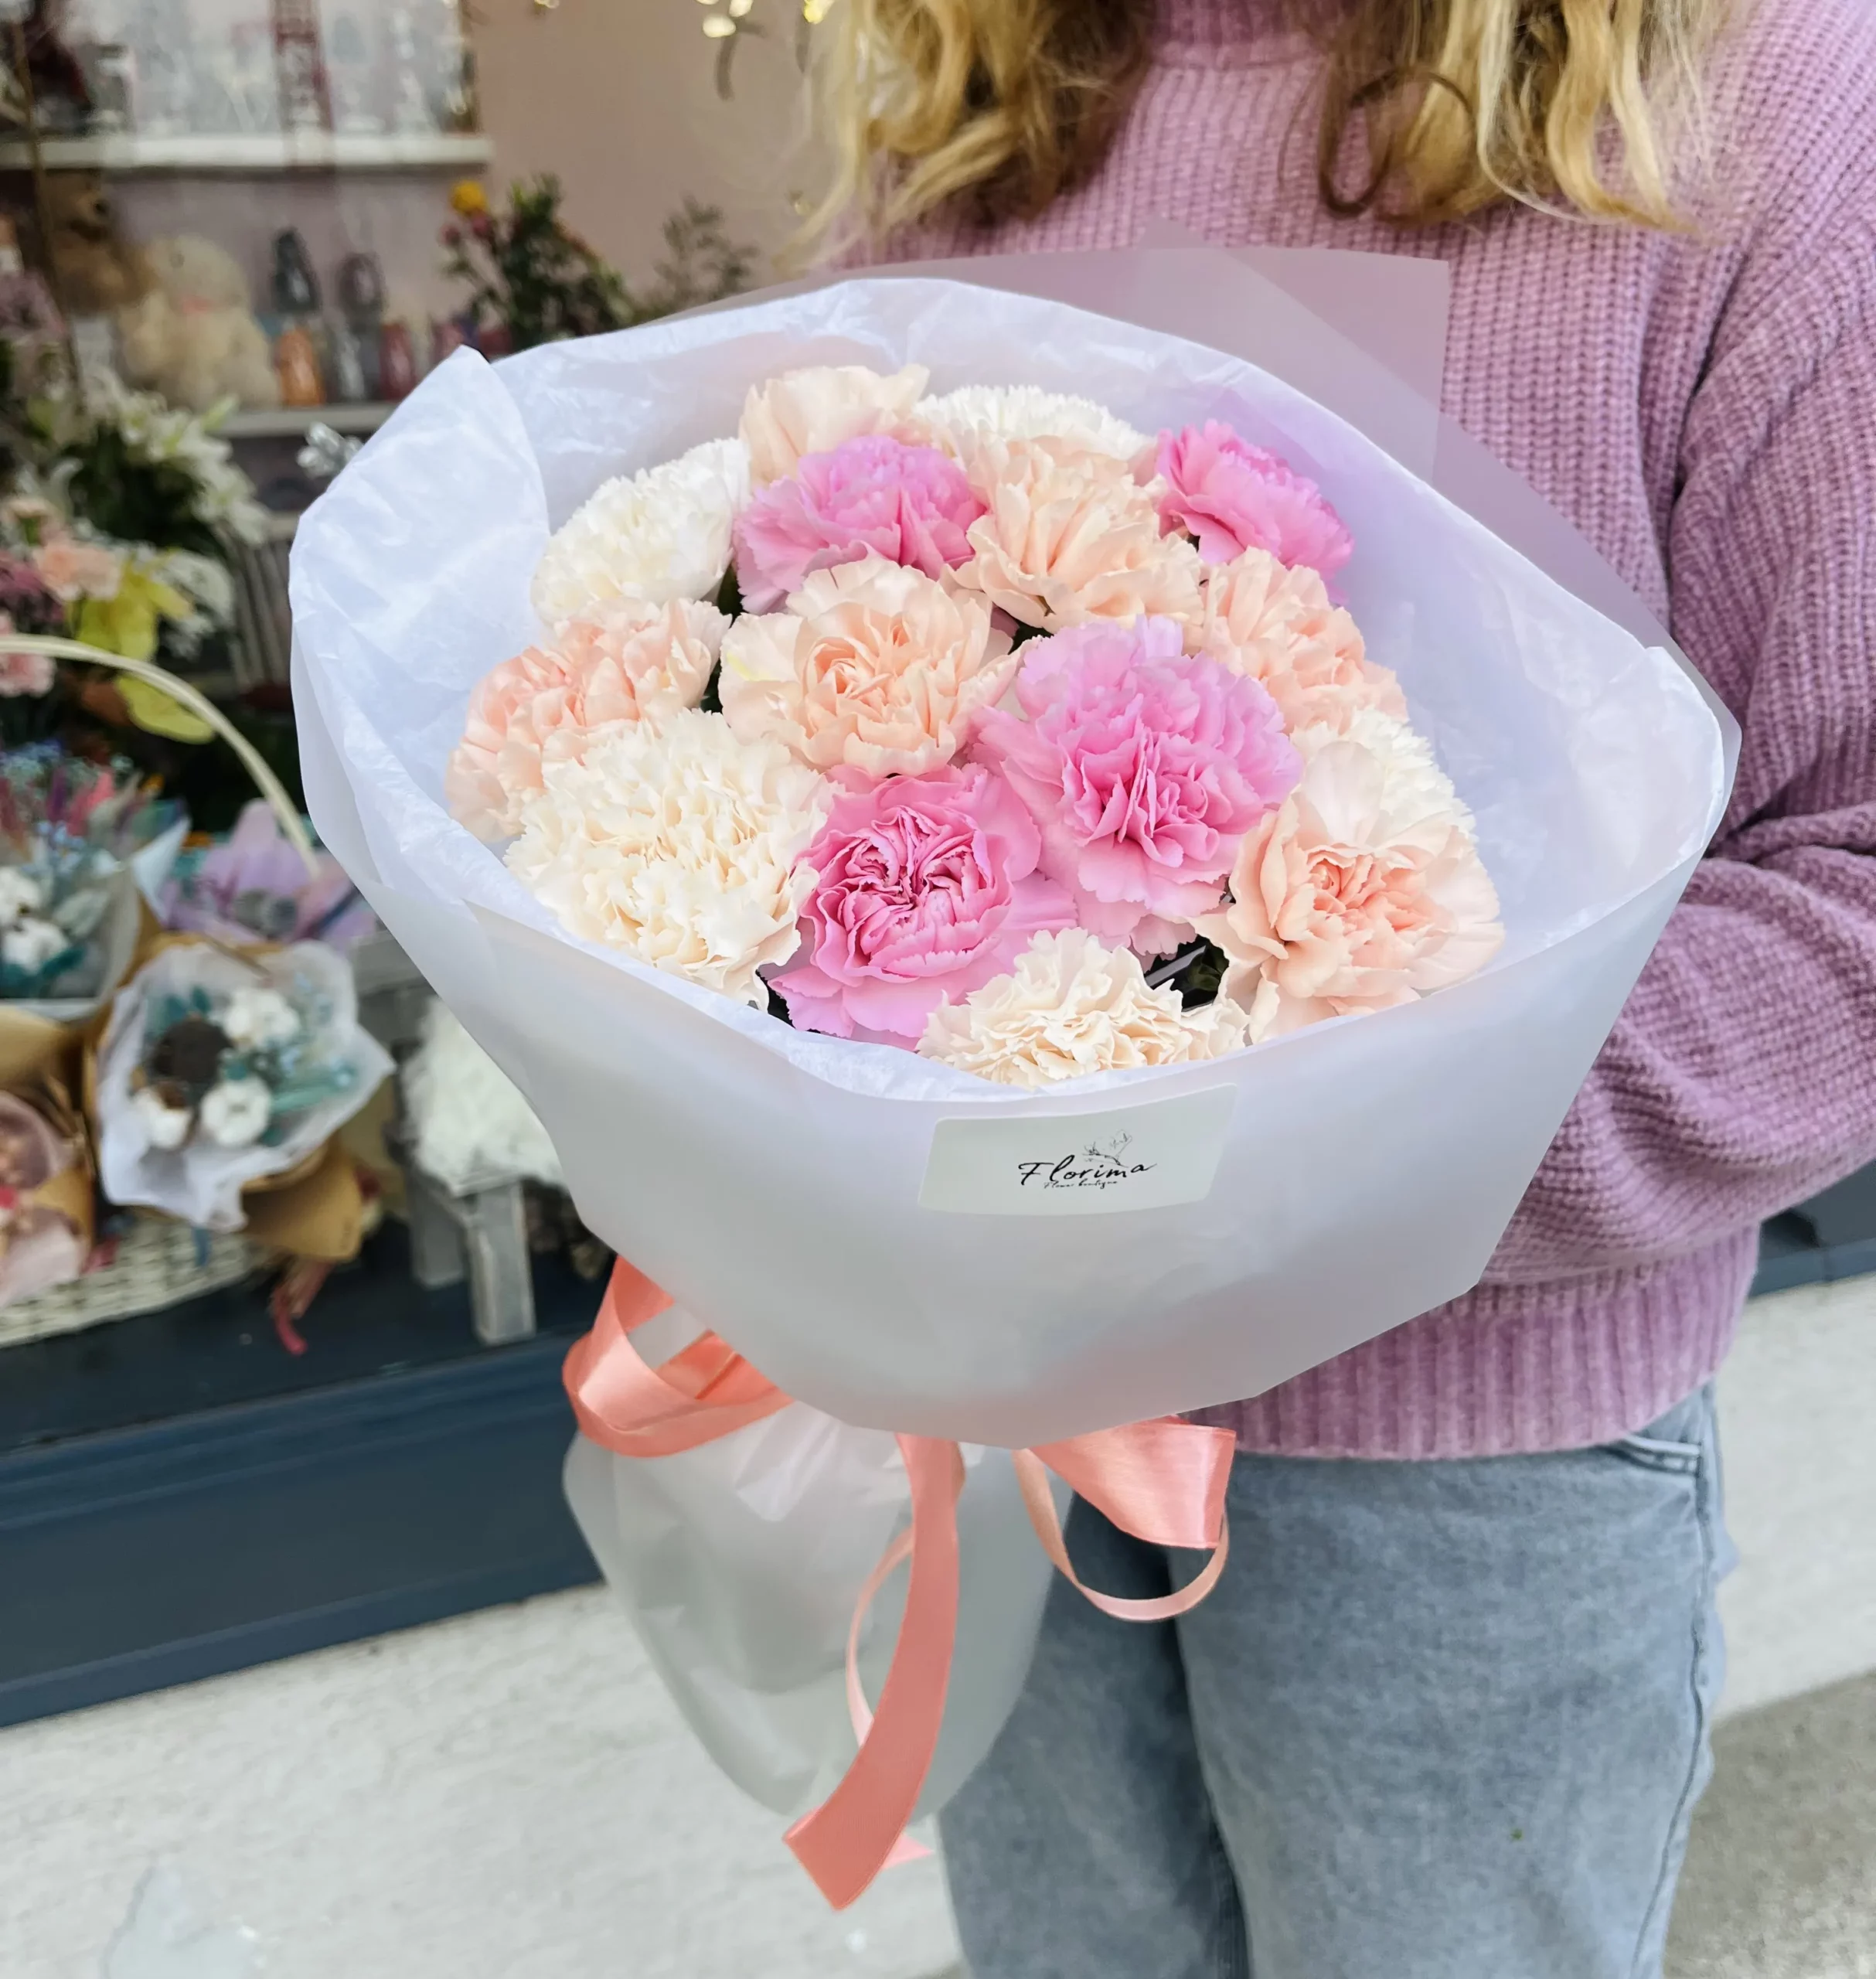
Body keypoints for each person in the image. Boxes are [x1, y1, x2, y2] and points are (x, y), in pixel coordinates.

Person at [809, 2, 1876, 1974]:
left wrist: (1308, 1153)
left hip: (1469, 1465)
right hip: (1005, 1418)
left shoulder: (1764, 95)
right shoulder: (962, 123)